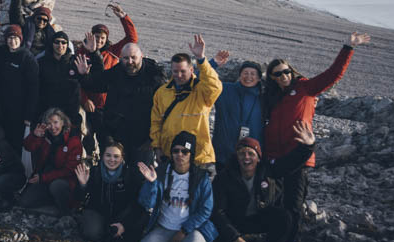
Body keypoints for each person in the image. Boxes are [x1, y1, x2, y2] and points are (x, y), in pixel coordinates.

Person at [262, 31, 369, 242]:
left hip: (298, 153)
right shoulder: (270, 97)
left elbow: (333, 75)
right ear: (272, 78)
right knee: (273, 200)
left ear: (291, 71)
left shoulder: (306, 88)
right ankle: (272, 239)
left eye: (286, 71)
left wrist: (348, 47)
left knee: (293, 201)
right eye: (278, 74)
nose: (284, 76)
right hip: (274, 156)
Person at [212, 123, 315, 242]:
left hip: (258, 217)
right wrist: (234, 237)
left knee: (284, 217)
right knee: (218, 234)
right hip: (235, 220)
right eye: (241, 153)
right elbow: (218, 212)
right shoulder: (224, 177)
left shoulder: (267, 171)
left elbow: (290, 163)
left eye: (251, 154)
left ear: (258, 158)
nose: (246, 157)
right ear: (236, 157)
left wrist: (308, 146)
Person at [75, 43, 165, 165]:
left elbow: (162, 109)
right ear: (121, 58)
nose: (130, 62)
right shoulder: (117, 72)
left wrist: (153, 139)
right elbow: (96, 84)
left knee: (141, 173)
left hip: (143, 139)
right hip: (117, 135)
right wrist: (83, 75)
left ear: (141, 56)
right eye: (126, 58)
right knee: (113, 172)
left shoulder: (154, 76)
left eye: (133, 57)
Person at [135, 131, 217, 242]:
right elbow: (146, 202)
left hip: (191, 229)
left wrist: (184, 231)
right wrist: (151, 183)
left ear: (191, 154)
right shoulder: (160, 172)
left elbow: (206, 209)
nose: (180, 155)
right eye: (176, 151)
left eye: (185, 151)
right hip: (164, 227)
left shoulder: (201, 177)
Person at [150, 35, 222, 175]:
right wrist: (157, 147)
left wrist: (201, 59)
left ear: (191, 70)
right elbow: (156, 122)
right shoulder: (162, 92)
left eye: (183, 71)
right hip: (171, 155)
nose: (179, 75)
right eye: (175, 71)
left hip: (199, 158)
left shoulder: (202, 91)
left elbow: (215, 86)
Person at [76, 4, 138, 157]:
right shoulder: (82, 53)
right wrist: (84, 99)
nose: (99, 40)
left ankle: (109, 165)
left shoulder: (113, 52)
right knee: (86, 139)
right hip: (89, 105)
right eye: (96, 37)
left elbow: (132, 39)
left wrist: (123, 17)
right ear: (90, 36)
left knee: (108, 141)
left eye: (102, 38)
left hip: (109, 105)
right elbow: (77, 79)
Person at [74, 141, 144, 242]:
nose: (112, 159)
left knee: (131, 236)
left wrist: (124, 224)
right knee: (92, 233)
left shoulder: (129, 175)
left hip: (121, 215)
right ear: (102, 156)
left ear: (122, 158)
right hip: (98, 212)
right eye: (108, 155)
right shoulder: (94, 172)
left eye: (116, 156)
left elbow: (136, 205)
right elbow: (80, 198)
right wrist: (83, 185)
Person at [208, 51, 265, 169]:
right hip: (224, 155)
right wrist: (213, 63)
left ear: (259, 78)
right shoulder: (225, 90)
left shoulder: (265, 98)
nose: (248, 77)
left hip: (250, 158)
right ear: (239, 75)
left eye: (253, 74)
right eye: (245, 73)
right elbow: (201, 81)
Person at [19, 109, 83, 215]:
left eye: (55, 122)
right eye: (49, 123)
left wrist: (43, 177)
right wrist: (35, 136)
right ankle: (51, 201)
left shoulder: (73, 140)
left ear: (63, 122)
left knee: (56, 186)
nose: (53, 127)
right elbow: (28, 147)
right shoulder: (45, 136)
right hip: (45, 178)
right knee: (24, 202)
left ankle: (66, 210)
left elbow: (69, 170)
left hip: (65, 181)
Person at [0, 24, 39, 151]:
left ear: (21, 39)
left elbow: (33, 89)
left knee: (16, 142)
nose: (13, 41)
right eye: (10, 38)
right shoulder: (2, 53)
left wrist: (29, 115)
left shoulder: (27, 58)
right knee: (1, 139)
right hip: (2, 107)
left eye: (15, 38)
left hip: (19, 110)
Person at [37, 31, 82, 134]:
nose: (60, 45)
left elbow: (90, 81)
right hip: (48, 112)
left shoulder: (75, 62)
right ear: (52, 44)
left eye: (63, 42)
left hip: (70, 113)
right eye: (57, 42)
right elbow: (36, 88)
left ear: (67, 44)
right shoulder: (42, 62)